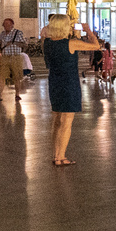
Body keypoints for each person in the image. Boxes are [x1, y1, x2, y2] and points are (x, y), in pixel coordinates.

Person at [40, 14, 102, 166]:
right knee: (66, 121)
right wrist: (88, 31)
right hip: (69, 83)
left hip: (54, 82)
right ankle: (61, 157)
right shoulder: (71, 43)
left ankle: (56, 154)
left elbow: (44, 34)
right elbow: (96, 46)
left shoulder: (47, 43)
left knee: (56, 120)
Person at [0, 18, 27, 103]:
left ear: (12, 25)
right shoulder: (2, 34)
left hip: (15, 56)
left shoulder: (18, 33)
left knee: (17, 76)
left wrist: (14, 43)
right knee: (2, 76)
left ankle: (17, 94)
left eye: (8, 24)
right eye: (4, 24)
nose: (6, 26)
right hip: (5, 57)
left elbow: (24, 44)